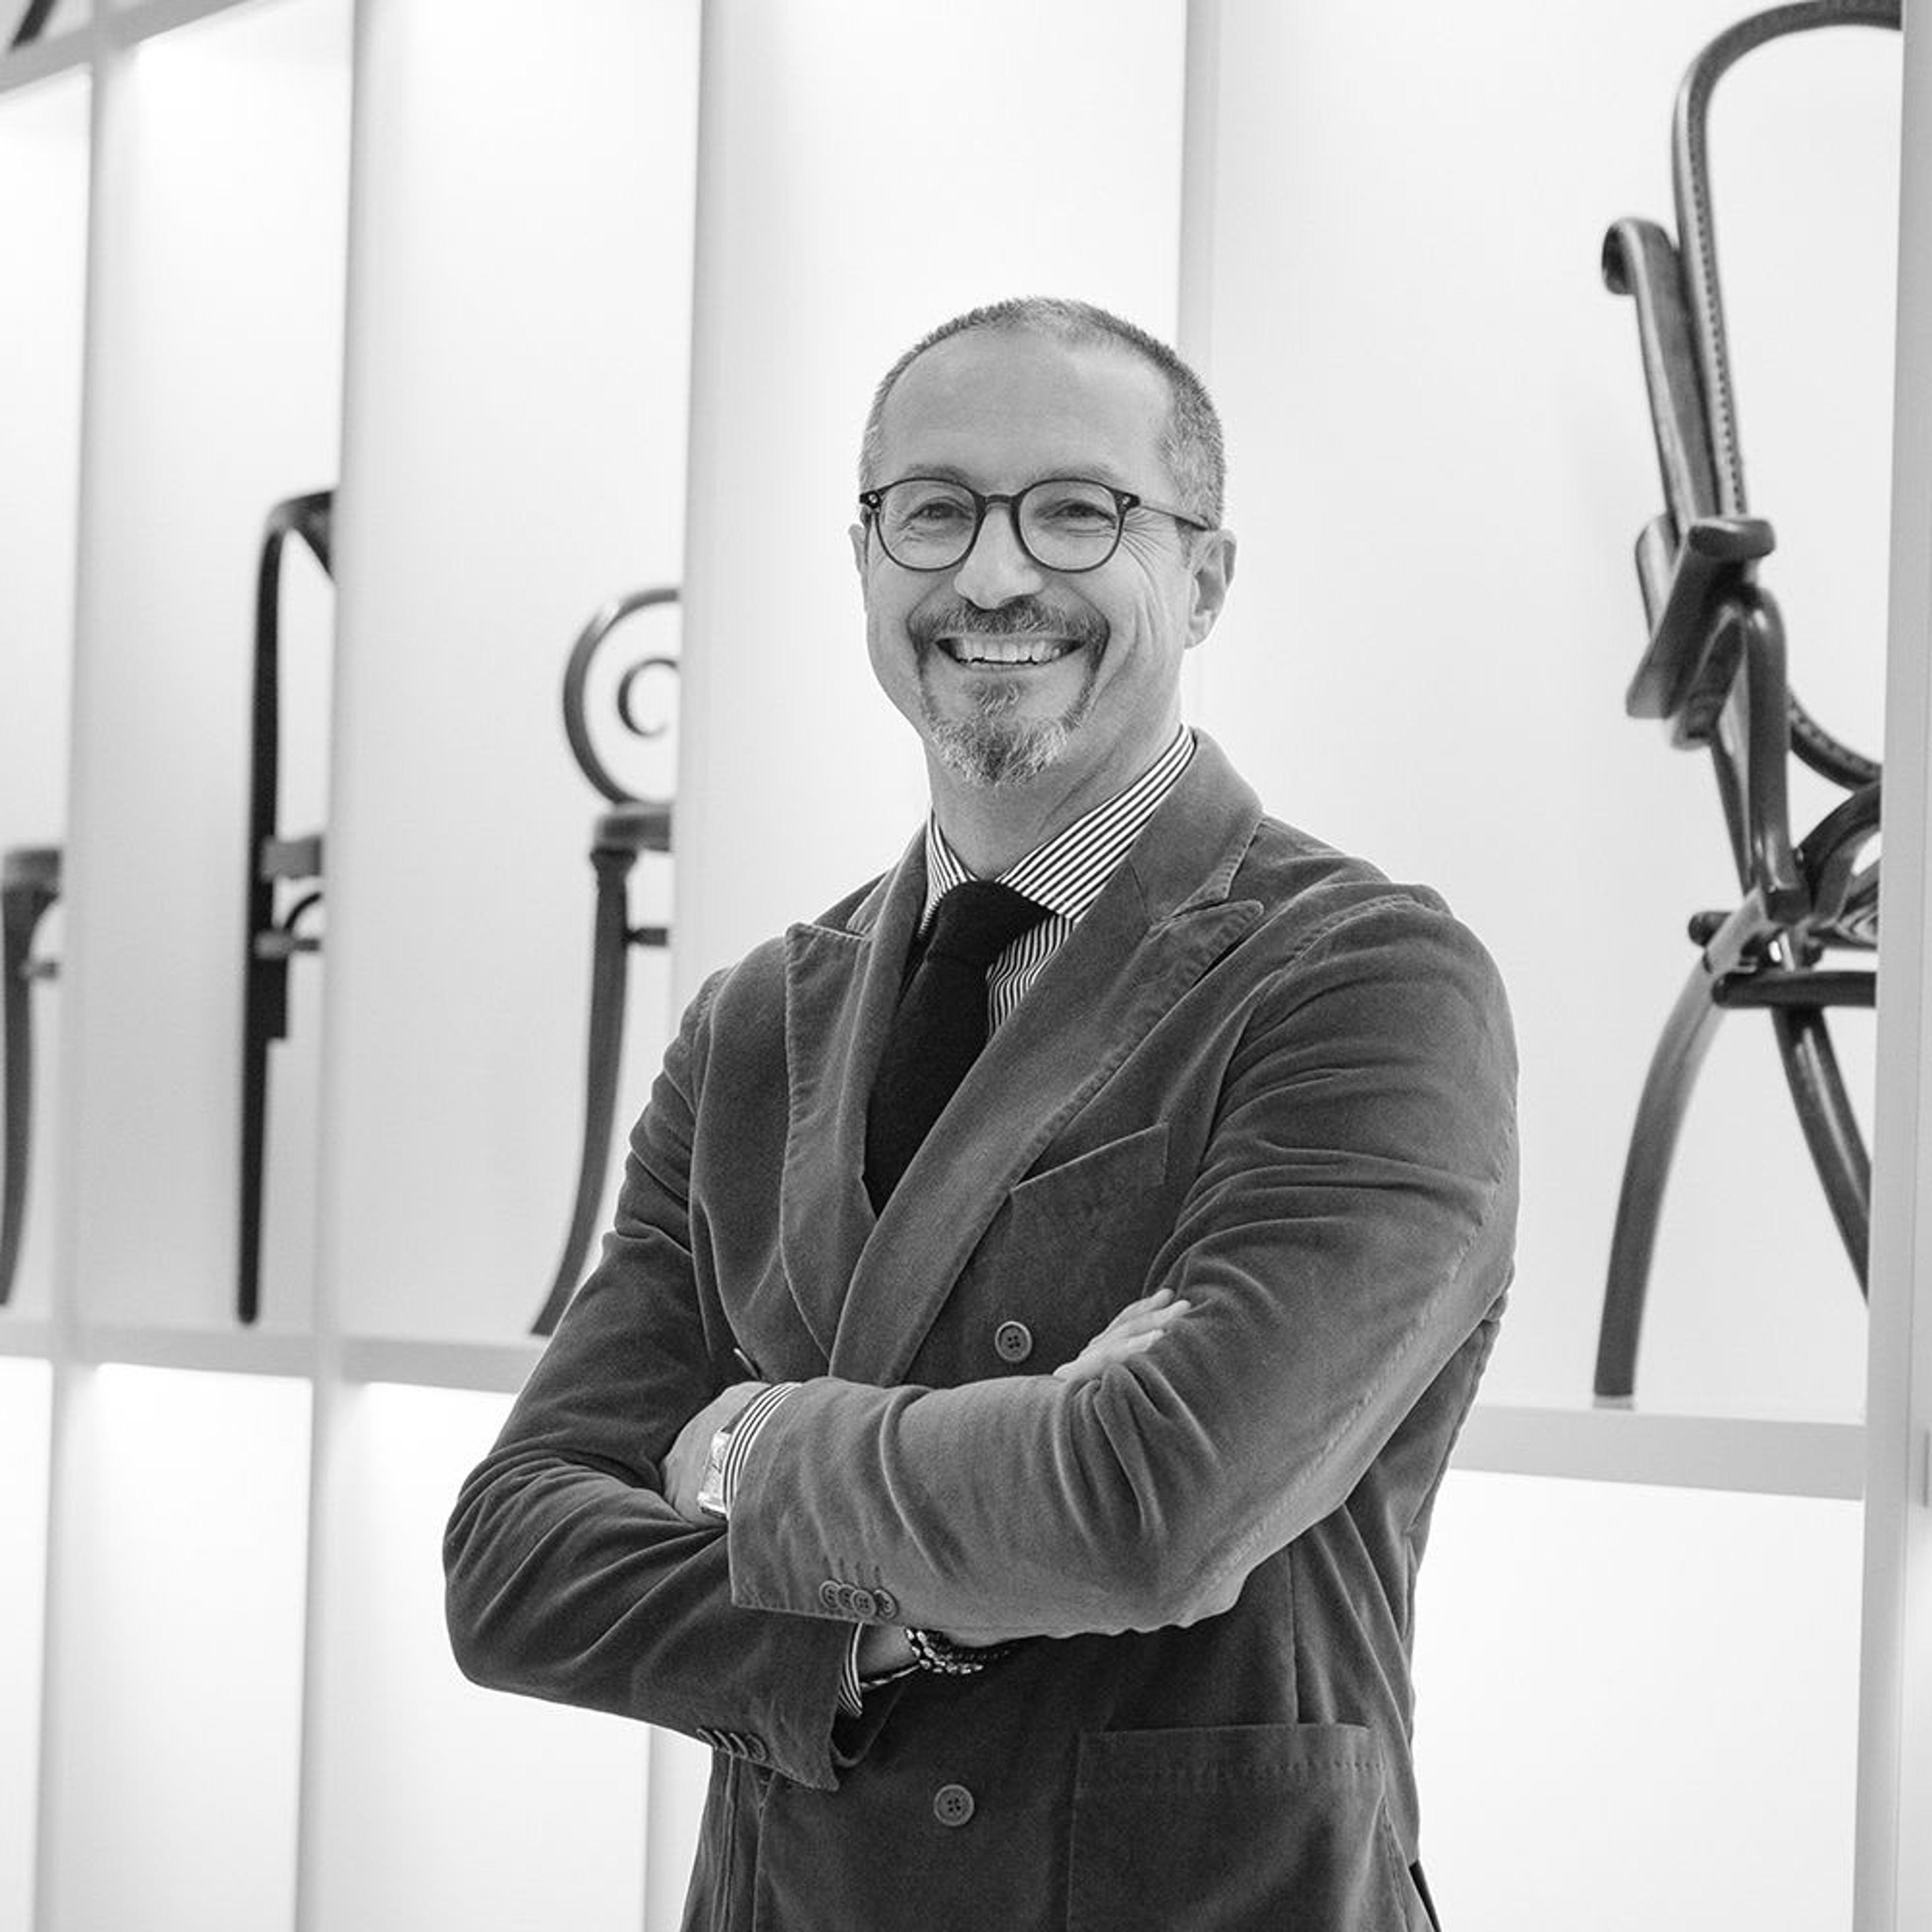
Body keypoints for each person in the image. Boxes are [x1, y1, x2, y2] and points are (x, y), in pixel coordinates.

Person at [444, 295, 1517, 1931]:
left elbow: (1154, 1505)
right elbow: (515, 1560)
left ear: (1206, 577)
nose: (996, 576)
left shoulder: (1365, 984)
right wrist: (897, 1620)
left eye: (1077, 511)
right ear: (865, 564)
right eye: (934, 512)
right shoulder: (753, 1025)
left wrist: (746, 1444)